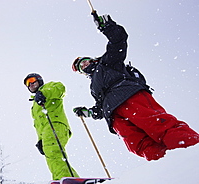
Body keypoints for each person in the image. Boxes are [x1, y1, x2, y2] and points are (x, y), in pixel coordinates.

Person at [71, 13, 199, 161]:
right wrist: (89, 112)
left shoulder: (107, 63)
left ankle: (190, 148)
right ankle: (166, 163)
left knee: (157, 125)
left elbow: (118, 41)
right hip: (113, 114)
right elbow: (100, 106)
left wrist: (108, 28)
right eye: (81, 67)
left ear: (92, 60)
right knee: (138, 143)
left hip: (127, 95)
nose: (84, 65)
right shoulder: (94, 87)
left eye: (85, 61)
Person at [23, 73, 79, 180]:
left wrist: (44, 93)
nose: (30, 84)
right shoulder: (34, 105)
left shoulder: (49, 87)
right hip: (46, 132)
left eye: (32, 80)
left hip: (55, 125)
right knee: (51, 156)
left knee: (53, 152)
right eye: (27, 83)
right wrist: (40, 140)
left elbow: (60, 88)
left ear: (39, 80)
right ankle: (63, 179)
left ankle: (66, 178)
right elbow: (39, 125)